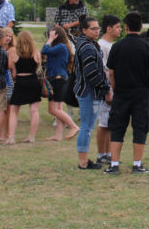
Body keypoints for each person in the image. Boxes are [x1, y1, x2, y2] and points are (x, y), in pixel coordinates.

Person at [103, 11, 149, 175]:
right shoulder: (147, 46)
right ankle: (137, 164)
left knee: (117, 128)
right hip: (141, 93)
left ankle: (114, 164)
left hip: (122, 93)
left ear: (125, 27)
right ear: (140, 27)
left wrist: (115, 87)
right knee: (140, 128)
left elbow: (110, 72)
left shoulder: (117, 47)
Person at [73, 16, 110, 170]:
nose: (97, 31)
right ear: (84, 30)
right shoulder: (87, 47)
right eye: (93, 29)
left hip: (89, 90)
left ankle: (84, 160)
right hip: (89, 92)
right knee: (87, 127)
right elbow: (91, 72)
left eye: (97, 28)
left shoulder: (88, 44)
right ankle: (83, 162)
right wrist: (104, 87)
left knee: (87, 126)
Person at [41, 25, 79, 141]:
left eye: (52, 34)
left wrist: (50, 39)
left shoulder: (61, 47)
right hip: (57, 79)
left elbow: (44, 50)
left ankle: (73, 126)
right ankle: (58, 135)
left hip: (58, 80)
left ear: (57, 35)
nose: (49, 36)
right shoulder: (59, 47)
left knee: (52, 109)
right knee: (59, 109)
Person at [5, 31, 42, 145]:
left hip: (20, 82)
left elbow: (11, 67)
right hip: (33, 81)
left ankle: (11, 137)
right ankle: (31, 136)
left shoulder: (13, 51)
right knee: (34, 110)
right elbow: (37, 67)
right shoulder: (36, 53)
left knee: (14, 111)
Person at [96, 15, 121, 164]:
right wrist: (108, 90)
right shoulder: (102, 45)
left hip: (114, 87)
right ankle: (101, 153)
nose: (119, 30)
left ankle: (108, 153)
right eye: (117, 27)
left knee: (110, 123)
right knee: (103, 123)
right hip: (107, 88)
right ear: (108, 28)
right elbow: (105, 69)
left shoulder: (112, 45)